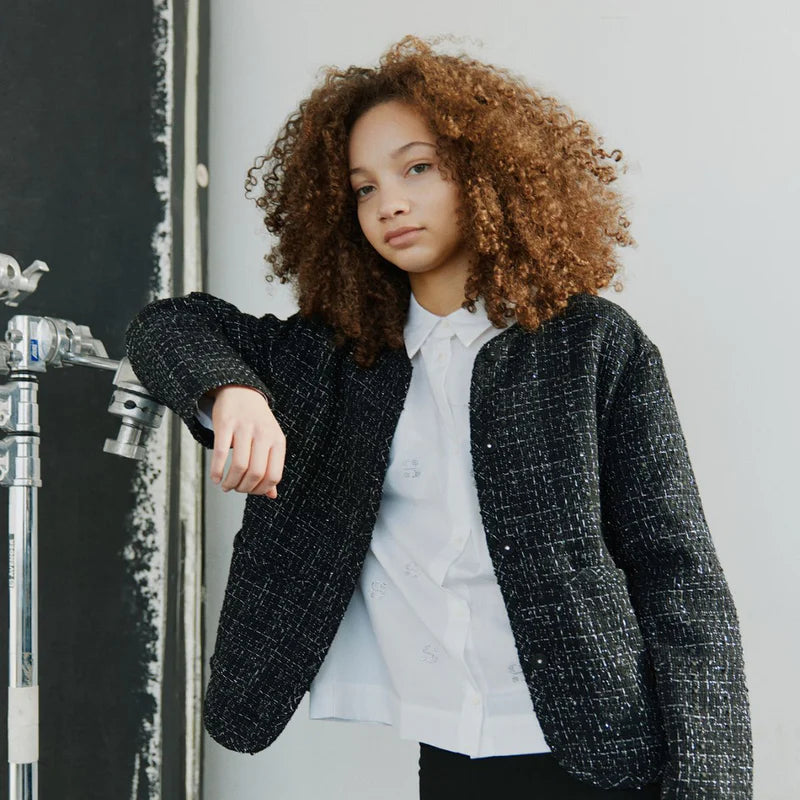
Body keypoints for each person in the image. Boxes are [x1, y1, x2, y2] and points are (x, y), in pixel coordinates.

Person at [125, 34, 753, 799]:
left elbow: (678, 577)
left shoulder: (592, 345)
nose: (388, 202)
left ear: (486, 173)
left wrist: (711, 785)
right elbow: (168, 326)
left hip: (608, 748)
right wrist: (233, 392)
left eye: (417, 168)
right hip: (450, 749)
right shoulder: (335, 359)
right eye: (362, 187)